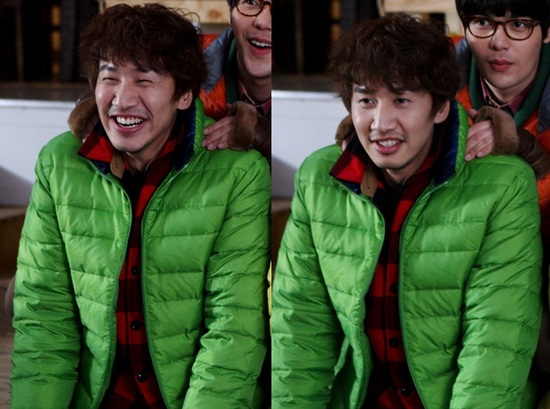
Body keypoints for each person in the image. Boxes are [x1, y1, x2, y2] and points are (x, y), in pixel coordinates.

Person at [271, 13, 543, 409]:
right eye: (367, 100)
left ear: (441, 107)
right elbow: (300, 328)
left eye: (401, 100)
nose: (381, 123)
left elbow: (496, 339)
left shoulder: (503, 185)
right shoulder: (319, 178)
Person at [9, 4, 270, 409]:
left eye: (145, 80)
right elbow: (45, 317)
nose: (123, 99)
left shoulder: (239, 174)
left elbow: (233, 326)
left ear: (184, 95)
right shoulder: (59, 163)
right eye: (109, 77)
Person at [454, 0, 550, 246]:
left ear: (547, 32)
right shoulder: (429, 79)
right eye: (482, 22)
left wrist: (529, 151)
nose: (498, 43)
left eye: (519, 24)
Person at [200, 0, 271, 162]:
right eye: (251, 2)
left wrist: (271, 141)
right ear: (230, 13)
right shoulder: (180, 66)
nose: (262, 22)